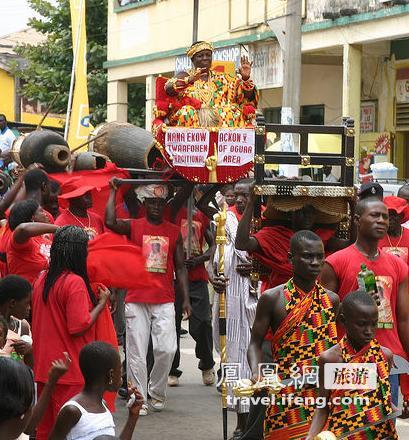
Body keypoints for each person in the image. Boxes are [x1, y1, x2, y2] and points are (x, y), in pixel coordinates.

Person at [105, 181, 191, 415]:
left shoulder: (173, 231)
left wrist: (186, 299)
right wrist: (114, 190)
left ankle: (157, 392)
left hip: (164, 298)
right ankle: (138, 397)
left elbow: (181, 268)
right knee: (136, 353)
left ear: (165, 205)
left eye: (160, 203)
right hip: (135, 298)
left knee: (167, 349)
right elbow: (110, 222)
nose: (155, 206)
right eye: (151, 202)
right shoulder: (134, 226)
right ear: (145, 203)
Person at [247, 230, 340, 440]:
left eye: (319, 257)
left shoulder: (331, 300)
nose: (315, 262)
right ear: (291, 258)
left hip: (321, 394)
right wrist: (256, 373)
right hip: (285, 391)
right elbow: (254, 344)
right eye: (308, 256)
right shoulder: (272, 298)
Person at [320, 197, 409, 407]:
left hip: (388, 359)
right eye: (375, 215)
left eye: (385, 217)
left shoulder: (399, 266)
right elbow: (323, 316)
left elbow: (404, 319)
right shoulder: (335, 262)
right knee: (347, 422)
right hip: (347, 359)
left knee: (383, 426)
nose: (381, 221)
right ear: (358, 220)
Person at [31, 225, 111, 439]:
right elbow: (78, 325)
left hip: (45, 369)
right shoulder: (73, 282)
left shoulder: (41, 280)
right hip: (70, 368)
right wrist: (101, 304)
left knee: (46, 430)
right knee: (71, 432)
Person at [307, 290, 398, 440]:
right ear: (343, 321)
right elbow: (322, 407)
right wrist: (310, 436)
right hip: (342, 434)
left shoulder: (384, 356)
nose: (369, 331)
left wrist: (397, 409)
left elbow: (382, 399)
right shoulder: (330, 359)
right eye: (362, 325)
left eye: (374, 324)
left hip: (378, 434)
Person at [210, 180, 258, 439]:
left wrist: (256, 271)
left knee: (252, 364)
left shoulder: (263, 223)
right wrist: (213, 279)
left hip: (254, 301)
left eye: (245, 195)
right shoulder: (223, 220)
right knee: (232, 360)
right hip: (228, 297)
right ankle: (240, 420)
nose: (239, 200)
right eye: (236, 195)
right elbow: (212, 260)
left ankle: (252, 422)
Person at [49, 341, 143, 440]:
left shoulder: (103, 405)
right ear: (111, 374)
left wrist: (133, 417)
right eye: (120, 369)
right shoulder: (72, 411)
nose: (121, 375)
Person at [168, 202, 215, 387]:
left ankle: (206, 363)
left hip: (197, 278)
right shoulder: (171, 211)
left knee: (203, 322)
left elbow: (213, 246)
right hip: (173, 278)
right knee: (172, 325)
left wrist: (200, 259)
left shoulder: (201, 214)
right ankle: (173, 369)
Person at [164, 41, 258, 128]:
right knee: (187, 112)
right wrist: (189, 80)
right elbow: (168, 88)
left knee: (232, 111)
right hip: (193, 117)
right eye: (200, 56)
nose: (205, 58)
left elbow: (244, 98)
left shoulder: (223, 78)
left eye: (208, 55)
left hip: (218, 120)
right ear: (193, 59)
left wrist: (245, 78)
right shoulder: (185, 75)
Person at [378, 195, 409, 418]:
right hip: (383, 302)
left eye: (394, 215)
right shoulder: (377, 239)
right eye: (387, 215)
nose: (390, 220)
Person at [0, 353, 70, 440]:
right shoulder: (16, 425)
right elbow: (29, 427)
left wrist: (51, 382)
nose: (31, 410)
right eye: (30, 403)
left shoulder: (12, 425)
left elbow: (29, 427)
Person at [7, 199, 57, 284]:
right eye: (41, 211)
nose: (46, 214)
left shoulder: (44, 238)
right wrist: (61, 229)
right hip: (29, 294)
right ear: (32, 218)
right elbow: (23, 228)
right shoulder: (18, 241)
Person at [0, 275, 33, 365]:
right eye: (27, 303)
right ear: (13, 303)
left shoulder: (23, 327)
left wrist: (29, 351)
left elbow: (29, 370)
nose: (29, 308)